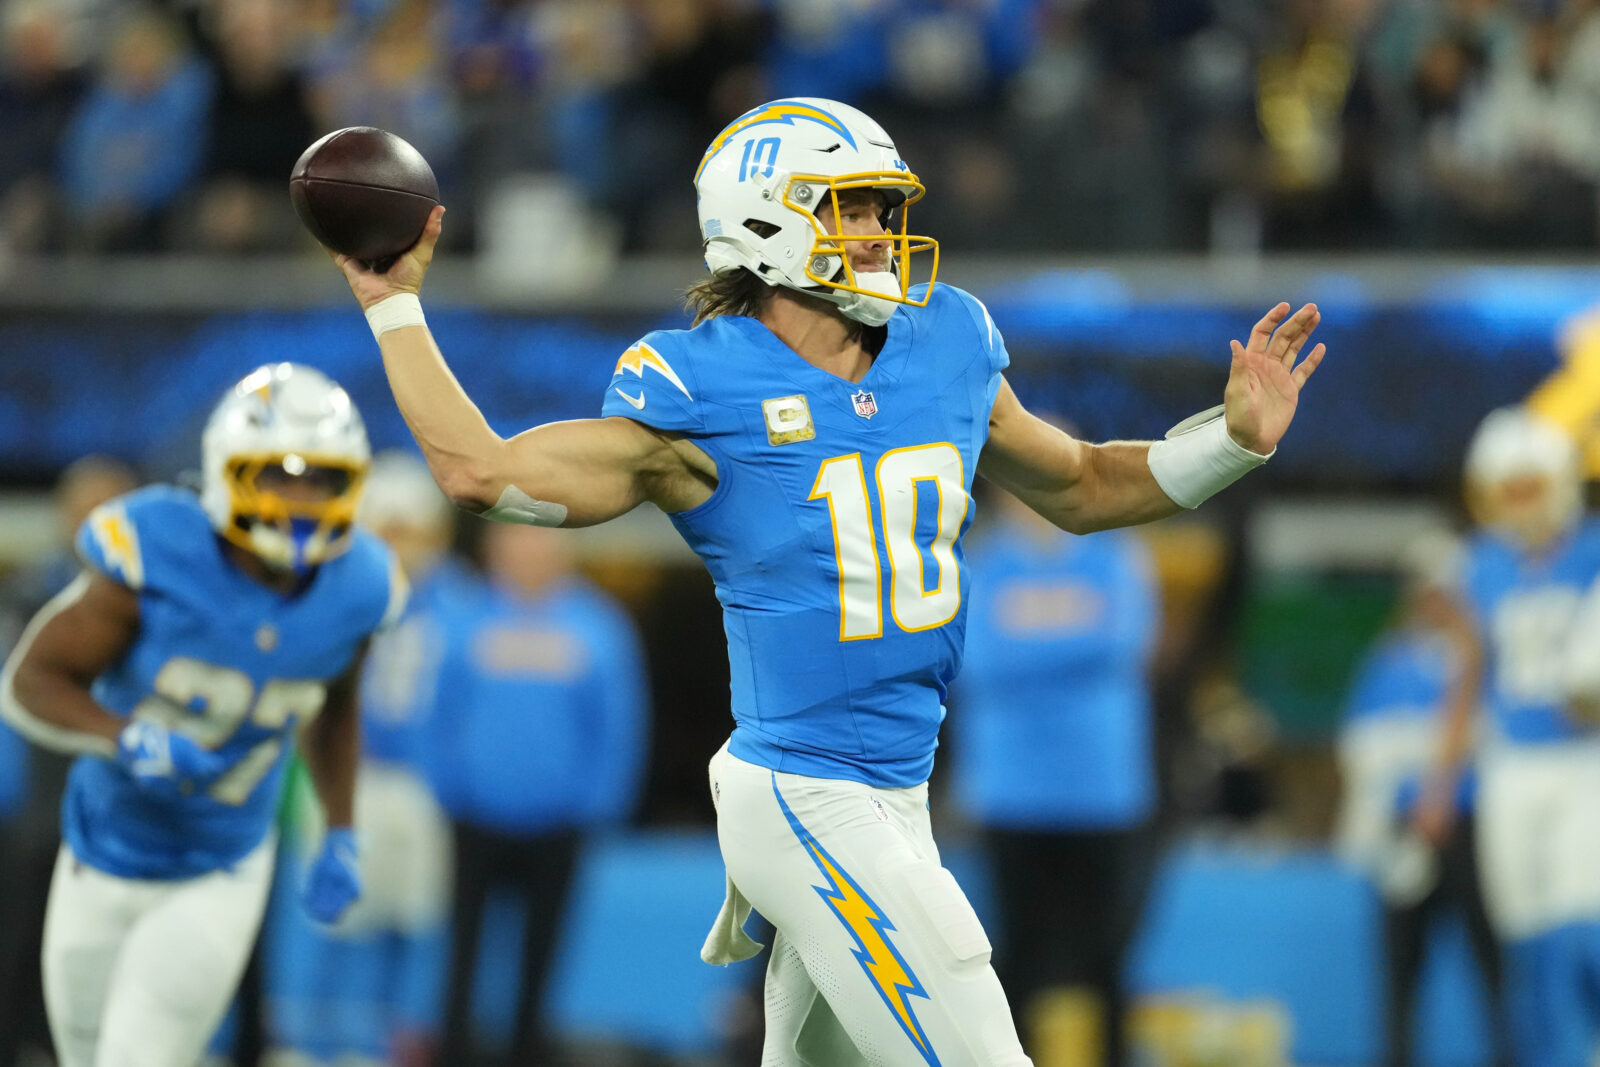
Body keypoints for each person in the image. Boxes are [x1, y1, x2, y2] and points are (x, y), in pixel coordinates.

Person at [327, 96, 1326, 1066]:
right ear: (764, 218)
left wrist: (1228, 443)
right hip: (805, 790)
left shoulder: (948, 341)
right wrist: (394, 304)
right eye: (851, 206)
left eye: (884, 208)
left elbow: (1080, 483)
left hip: (897, 793)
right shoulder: (700, 384)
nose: (881, 231)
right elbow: (480, 471)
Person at [0, 363, 406, 1067]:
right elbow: (30, 682)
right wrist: (127, 738)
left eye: (321, 478)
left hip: (219, 861)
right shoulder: (158, 551)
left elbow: (335, 707)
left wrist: (340, 827)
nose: (300, 498)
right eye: (279, 473)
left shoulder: (359, 587)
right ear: (228, 470)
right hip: (101, 847)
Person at [951, 487, 1161, 1067]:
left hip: (1103, 795)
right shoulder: (979, 563)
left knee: (1108, 965)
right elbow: (975, 660)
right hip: (1009, 795)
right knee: (1010, 963)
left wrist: (1026, 631)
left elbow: (1123, 642)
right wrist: (1073, 631)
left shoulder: (1120, 556)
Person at [1415, 407, 1600, 1066]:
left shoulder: (1593, 551)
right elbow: (1467, 672)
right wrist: (1441, 780)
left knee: (1585, 931)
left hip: (1587, 764)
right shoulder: (1483, 565)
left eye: (1531, 486)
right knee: (1525, 939)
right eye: (1508, 489)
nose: (1520, 503)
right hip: (1512, 765)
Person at [430, 519, 650, 1067]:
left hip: (559, 826)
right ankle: (454, 1052)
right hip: (474, 819)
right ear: (494, 551)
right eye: (516, 542)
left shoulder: (598, 626)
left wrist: (599, 803)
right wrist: (446, 787)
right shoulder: (465, 620)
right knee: (462, 956)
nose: (529, 552)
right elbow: (436, 713)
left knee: (542, 957)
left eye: (540, 541)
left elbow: (620, 722)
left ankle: (526, 1051)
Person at [284, 450, 475, 1066]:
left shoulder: (463, 605)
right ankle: (313, 1040)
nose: (403, 547)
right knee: (332, 919)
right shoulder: (334, 594)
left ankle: (388, 1043)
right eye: (388, 530)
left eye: (413, 532)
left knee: (408, 922)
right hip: (348, 780)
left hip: (424, 789)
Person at [1335, 533, 1508, 1067]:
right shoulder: (1389, 661)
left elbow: (1499, 738)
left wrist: (1431, 767)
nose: (1434, 603)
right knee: (1401, 970)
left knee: (1493, 965)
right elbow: (1360, 744)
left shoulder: (1487, 662)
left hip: (1474, 829)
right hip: (1404, 829)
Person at [0, 455, 139, 1067]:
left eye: (110, 509)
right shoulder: (29, 591)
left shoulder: (158, 601)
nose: (94, 521)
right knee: (24, 944)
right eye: (85, 506)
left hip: (126, 807)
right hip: (39, 803)